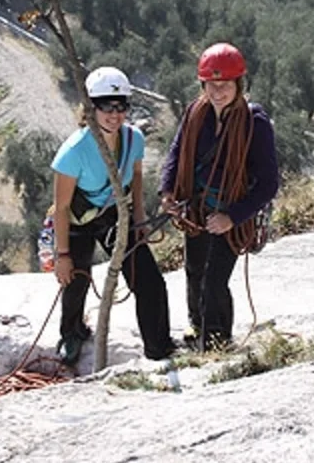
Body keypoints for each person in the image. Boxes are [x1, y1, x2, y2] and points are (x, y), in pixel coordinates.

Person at [159, 43, 280, 351]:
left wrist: (233, 217)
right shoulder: (196, 113)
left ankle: (216, 343)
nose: (217, 90)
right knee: (194, 269)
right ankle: (197, 324)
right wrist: (168, 190)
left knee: (214, 281)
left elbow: (268, 184)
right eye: (211, 84)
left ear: (239, 84)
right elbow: (177, 150)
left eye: (225, 84)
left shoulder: (255, 123)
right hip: (197, 207)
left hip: (231, 211)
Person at [50, 66, 174, 364]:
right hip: (79, 220)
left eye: (121, 107)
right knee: (76, 279)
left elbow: (137, 176)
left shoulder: (133, 139)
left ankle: (158, 346)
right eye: (106, 106)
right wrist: (62, 254)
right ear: (91, 108)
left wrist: (140, 218)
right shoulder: (74, 151)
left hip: (114, 215)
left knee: (149, 280)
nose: (114, 113)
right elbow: (62, 207)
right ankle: (72, 332)